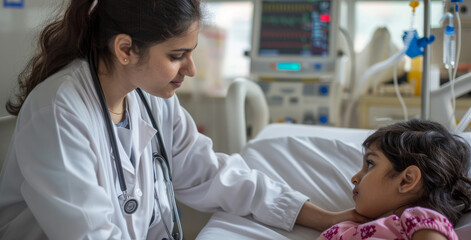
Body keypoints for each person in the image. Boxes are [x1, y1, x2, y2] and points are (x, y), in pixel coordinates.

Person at [0, 0, 367, 239]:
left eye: (191, 54)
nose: (190, 69)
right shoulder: (58, 112)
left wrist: (323, 217)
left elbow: (212, 175)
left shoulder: (149, 98)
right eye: (177, 56)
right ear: (125, 49)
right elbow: (88, 233)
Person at [317, 119, 471, 240]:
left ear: (407, 180)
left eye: (370, 164)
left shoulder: (420, 220)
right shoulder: (345, 227)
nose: (355, 178)